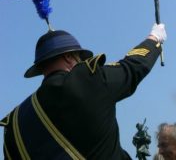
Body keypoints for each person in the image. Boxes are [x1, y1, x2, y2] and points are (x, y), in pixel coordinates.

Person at [0, 23, 166, 160]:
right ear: (69, 57)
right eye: (80, 58)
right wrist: (154, 39)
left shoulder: (13, 123)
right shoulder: (88, 80)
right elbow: (131, 67)